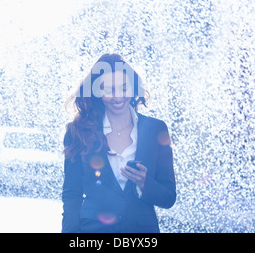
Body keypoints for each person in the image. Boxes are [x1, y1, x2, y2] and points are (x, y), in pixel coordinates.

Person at [61, 53, 176, 233]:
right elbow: (72, 195)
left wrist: (145, 183)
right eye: (109, 90)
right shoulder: (79, 131)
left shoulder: (156, 129)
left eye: (124, 88)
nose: (118, 97)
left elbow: (168, 197)